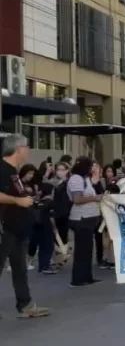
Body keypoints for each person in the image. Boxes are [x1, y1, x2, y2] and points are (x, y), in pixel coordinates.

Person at [0, 134, 50, 318]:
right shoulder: (2, 169)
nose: (28, 150)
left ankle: (25, 304)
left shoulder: (14, 171)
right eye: (27, 147)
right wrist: (17, 201)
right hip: (5, 228)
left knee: (20, 269)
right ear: (17, 149)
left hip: (19, 229)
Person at [67, 156, 103, 287]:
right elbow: (77, 199)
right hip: (81, 218)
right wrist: (95, 198)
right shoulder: (76, 179)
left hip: (89, 218)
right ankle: (78, 278)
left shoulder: (85, 179)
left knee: (88, 249)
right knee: (81, 249)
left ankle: (87, 276)